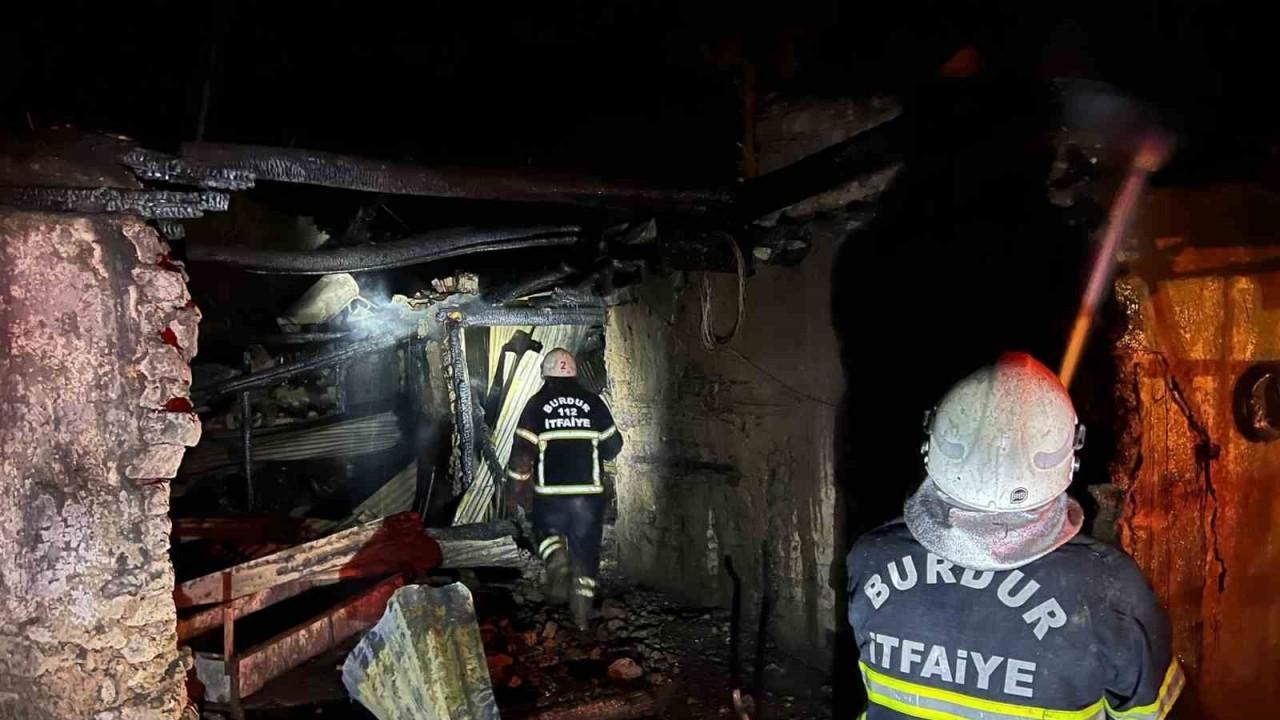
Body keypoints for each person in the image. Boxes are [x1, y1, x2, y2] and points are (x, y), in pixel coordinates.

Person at [847, 352, 1183, 719]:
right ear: (1071, 457)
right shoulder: (1110, 588)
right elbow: (1145, 713)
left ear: (933, 442)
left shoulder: (871, 557)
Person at [506, 347, 623, 629]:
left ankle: (556, 559)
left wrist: (516, 489)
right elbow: (613, 446)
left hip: (550, 495)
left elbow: (522, 454)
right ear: (574, 373)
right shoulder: (593, 403)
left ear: (545, 374)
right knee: (586, 551)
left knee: (545, 531)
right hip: (588, 496)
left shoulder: (536, 405)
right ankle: (581, 616)